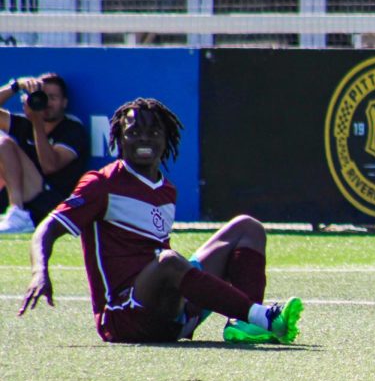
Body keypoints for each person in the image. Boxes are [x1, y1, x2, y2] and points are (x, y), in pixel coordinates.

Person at [17, 97, 303, 345]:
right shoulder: (101, 184)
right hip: (124, 318)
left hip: (166, 311)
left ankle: (246, 327)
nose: (144, 138)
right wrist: (39, 271)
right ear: (118, 138)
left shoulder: (166, 189)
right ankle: (262, 316)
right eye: (134, 132)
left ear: (166, 139)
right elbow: (48, 228)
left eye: (154, 131)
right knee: (168, 261)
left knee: (247, 227)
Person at [0, 73, 89, 234]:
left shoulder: (73, 129)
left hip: (52, 202)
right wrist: (15, 86)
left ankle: (18, 214)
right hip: (26, 195)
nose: (46, 103)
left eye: (52, 97)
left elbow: (50, 166)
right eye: (42, 97)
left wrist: (37, 123)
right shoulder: (24, 123)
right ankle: (16, 212)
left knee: (3, 144)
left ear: (64, 103)